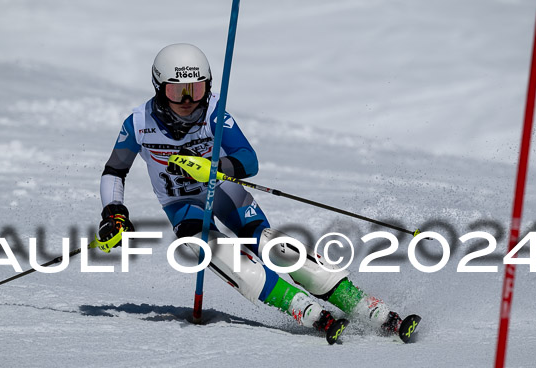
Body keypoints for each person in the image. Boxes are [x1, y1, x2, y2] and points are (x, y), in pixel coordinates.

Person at [98, 43, 407, 344]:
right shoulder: (139, 124)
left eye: (197, 89)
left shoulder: (214, 113)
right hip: (183, 203)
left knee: (271, 245)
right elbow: (115, 170)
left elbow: (249, 159)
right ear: (159, 88)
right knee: (205, 247)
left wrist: (216, 166)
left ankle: (363, 305)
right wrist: (114, 212)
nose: (189, 100)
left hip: (222, 188)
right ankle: (300, 306)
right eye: (177, 92)